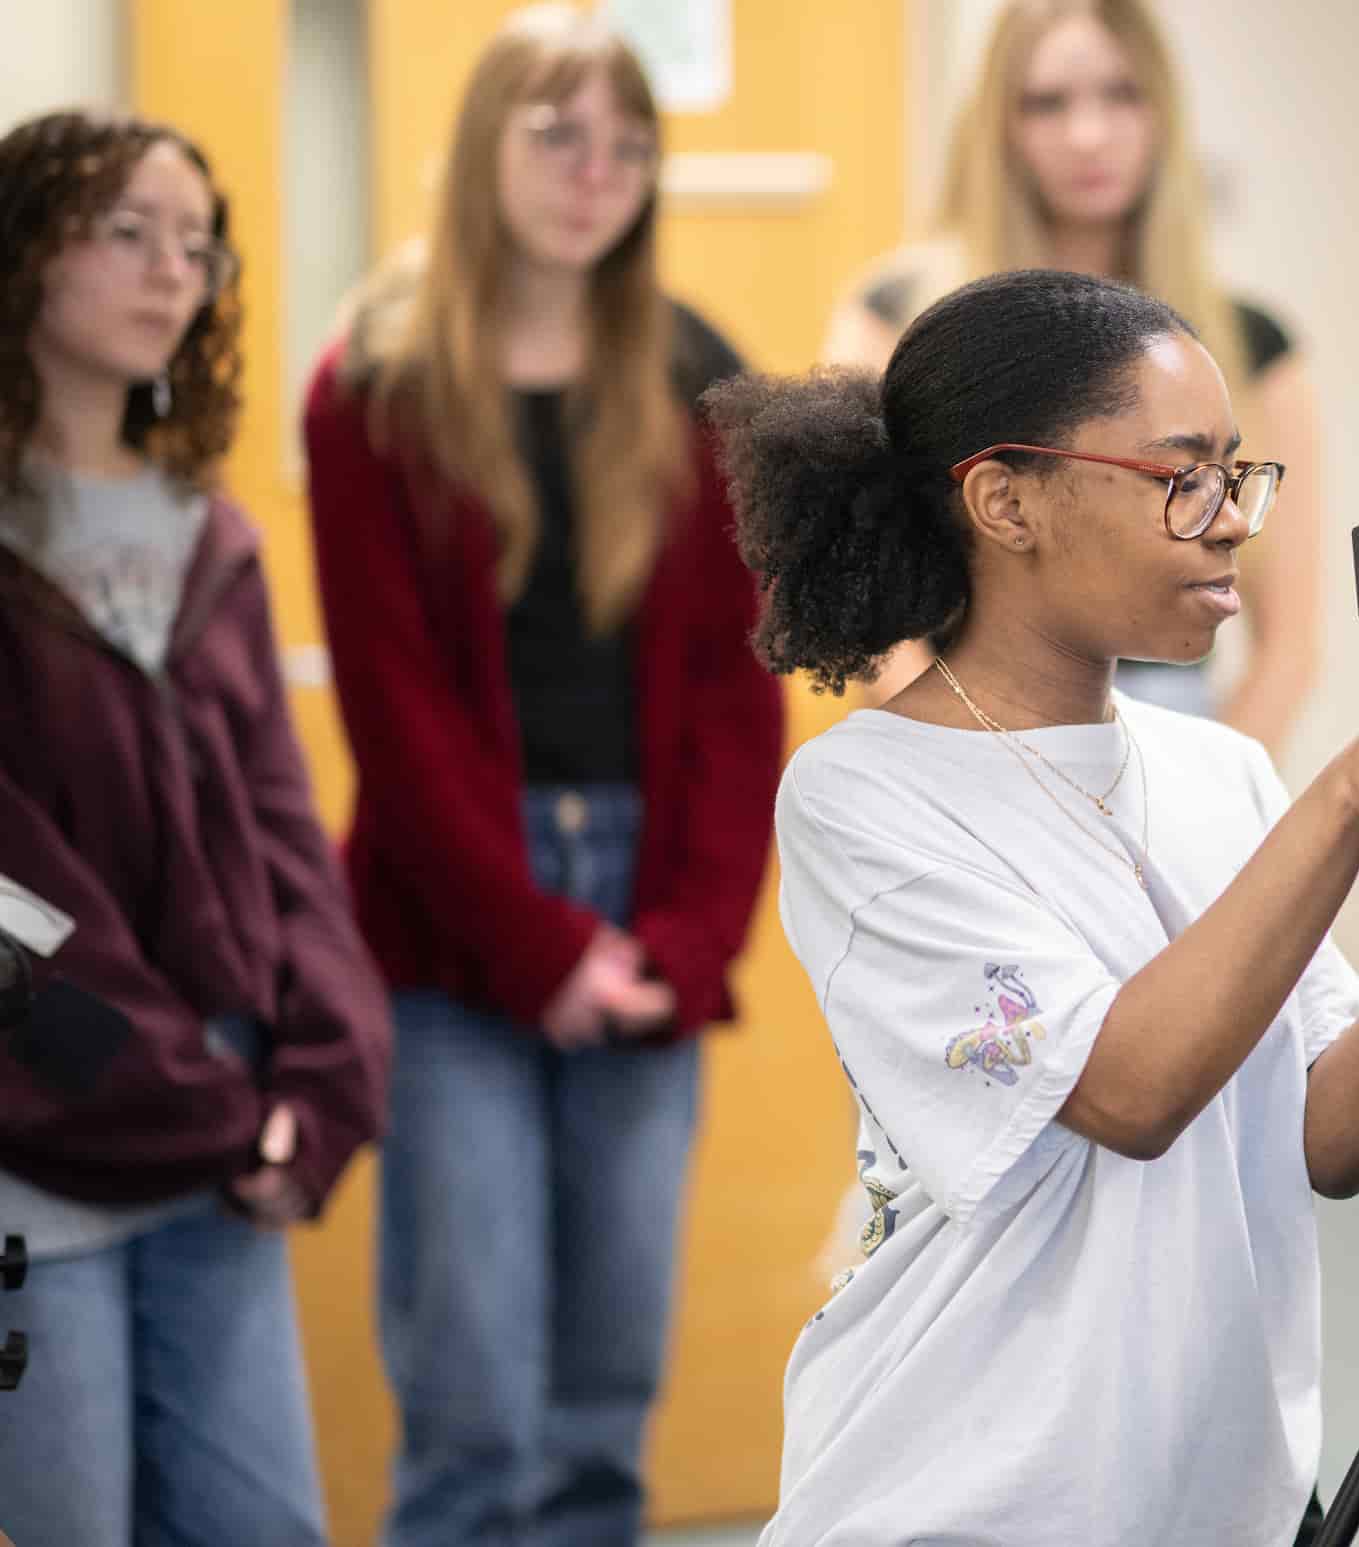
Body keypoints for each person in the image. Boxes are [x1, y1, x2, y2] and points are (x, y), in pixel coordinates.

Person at [709, 268, 1359, 1546]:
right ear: (1006, 499)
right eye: (1181, 474)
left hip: (1220, 1501)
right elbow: (1129, 1089)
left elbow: (1329, 1133)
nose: (1231, 520)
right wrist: (1355, 789)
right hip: (970, 1498)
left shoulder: (1222, 774)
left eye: (1239, 474)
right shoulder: (863, 794)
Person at [299, 8, 784, 1543]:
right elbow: (396, 713)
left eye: (629, 144)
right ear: (481, 150)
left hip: (649, 905)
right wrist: (539, 945)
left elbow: (732, 689)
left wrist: (691, 938)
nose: (597, 174)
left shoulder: (697, 375)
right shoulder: (372, 383)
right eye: (558, 136)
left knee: (603, 1393)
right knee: (474, 1403)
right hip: (458, 924)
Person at [0, 107, 392, 1544]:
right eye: (126, 233)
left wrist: (323, 1071)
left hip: (221, 1120)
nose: (174, 271)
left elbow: (285, 834)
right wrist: (184, 1092)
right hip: (45, 1135)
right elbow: (11, 904)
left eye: (195, 244)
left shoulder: (207, 527)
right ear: (26, 252)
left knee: (261, 1522)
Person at [819, 0, 1325, 748]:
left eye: (1122, 95)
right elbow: (868, 610)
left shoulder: (1250, 347)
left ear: (1163, 113)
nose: (1089, 135)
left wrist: (1214, 803)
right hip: (962, 743)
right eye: (1046, 103)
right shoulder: (894, 324)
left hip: (1178, 749)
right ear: (998, 124)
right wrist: (956, 760)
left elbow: (1289, 648)